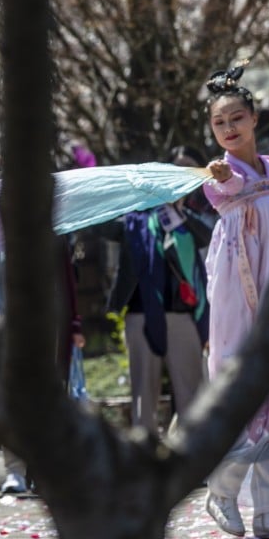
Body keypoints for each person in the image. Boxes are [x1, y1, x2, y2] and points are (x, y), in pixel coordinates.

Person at [200, 62, 269, 539]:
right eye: (219, 122)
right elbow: (224, 187)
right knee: (245, 389)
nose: (228, 129)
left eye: (236, 118)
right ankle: (223, 487)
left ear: (254, 118)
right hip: (238, 287)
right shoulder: (217, 175)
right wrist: (220, 175)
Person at [100, 147, 211, 434]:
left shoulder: (199, 217)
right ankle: (145, 456)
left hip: (182, 314)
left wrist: (179, 214)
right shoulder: (138, 215)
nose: (182, 173)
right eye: (177, 167)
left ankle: (193, 459)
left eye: (190, 168)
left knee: (192, 392)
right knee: (143, 394)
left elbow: (206, 236)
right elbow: (103, 227)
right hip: (140, 313)